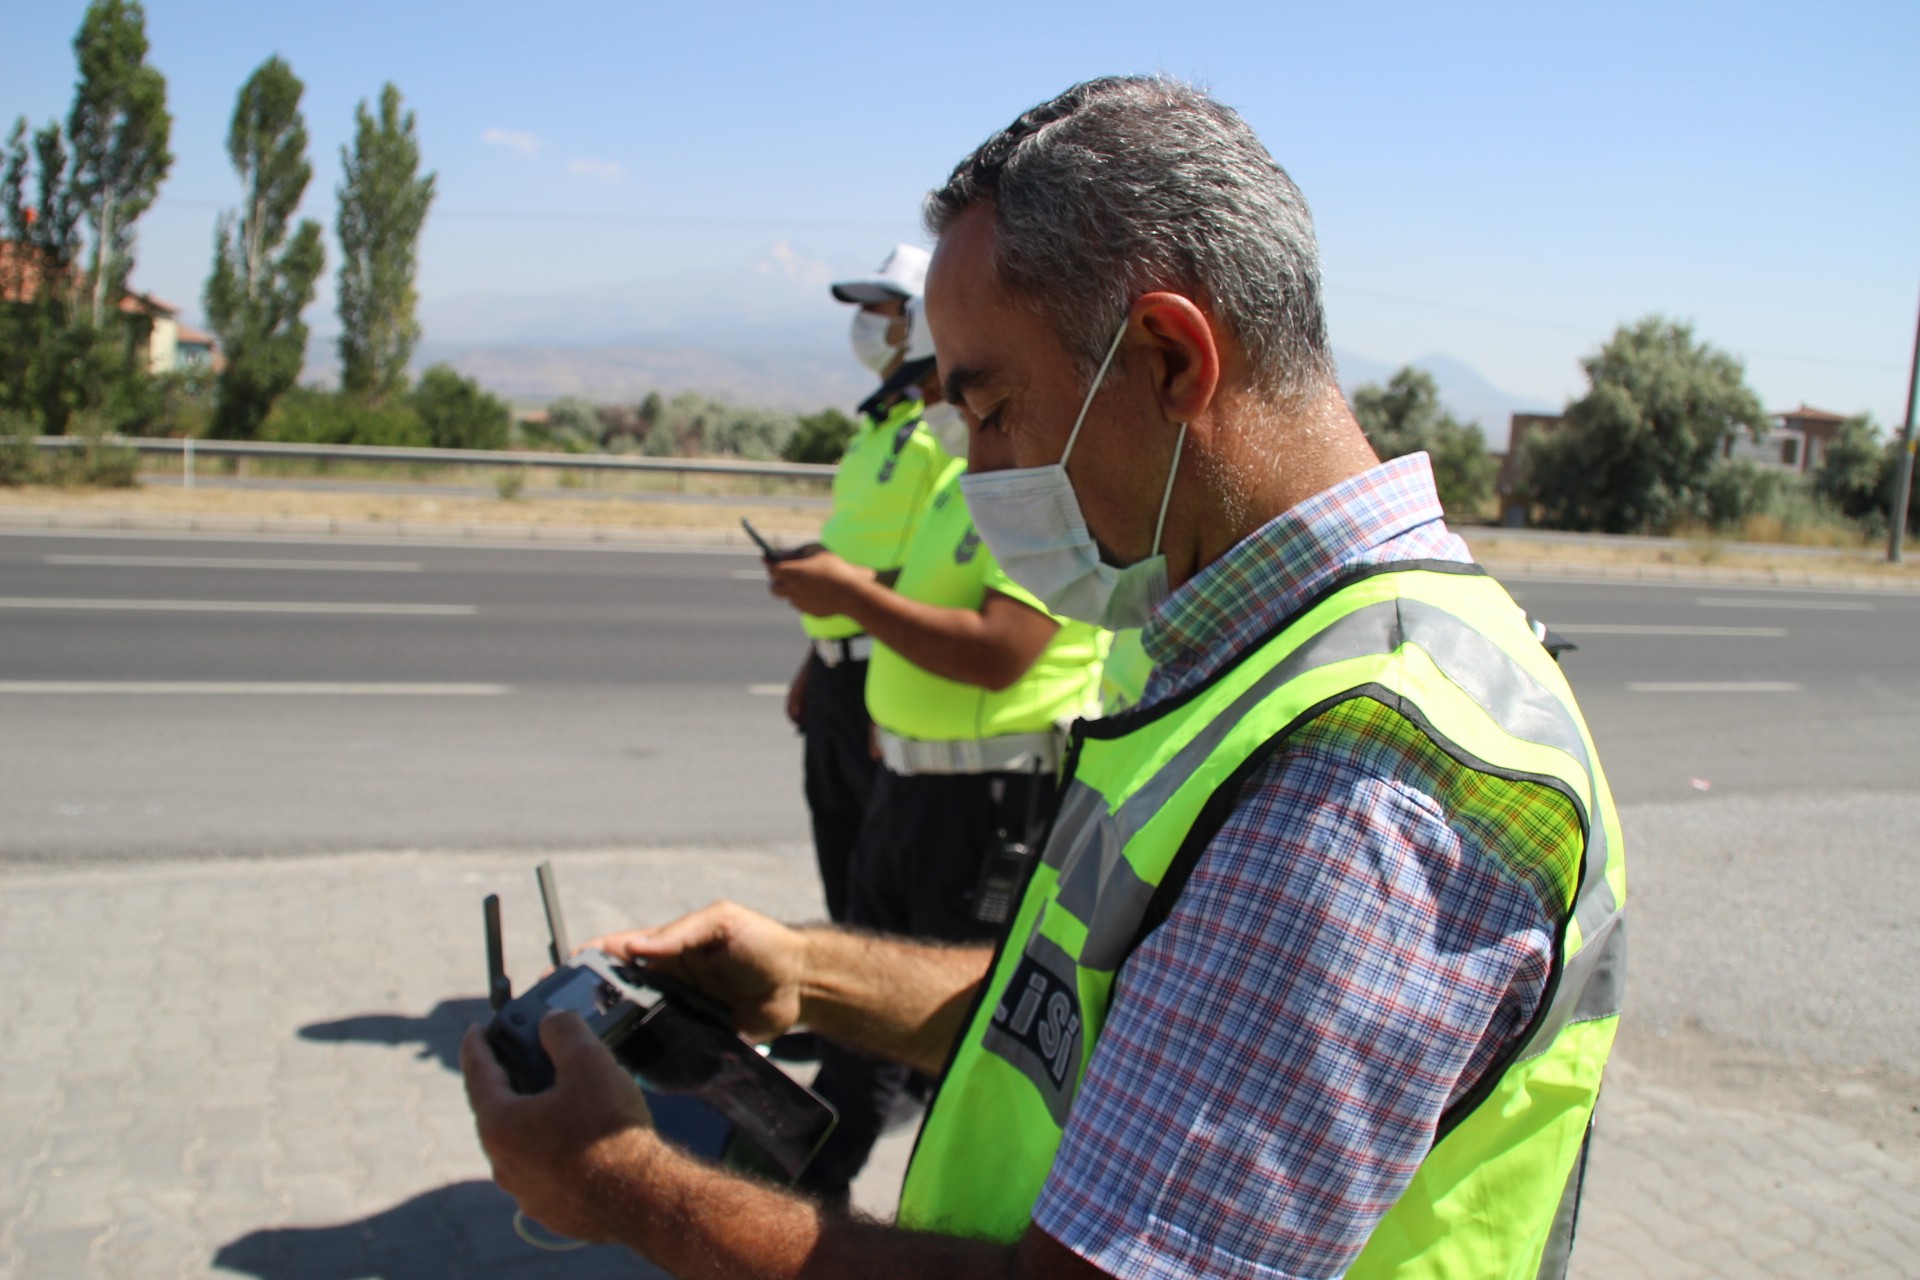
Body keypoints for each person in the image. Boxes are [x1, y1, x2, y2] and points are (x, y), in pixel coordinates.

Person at [463, 75, 1625, 1280]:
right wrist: (809, 975)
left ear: (1172, 356)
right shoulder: (1261, 647)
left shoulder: (1365, 780)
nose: (980, 472)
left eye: (997, 408)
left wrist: (625, 1184)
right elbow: (1119, 1015)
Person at [765, 304, 1105, 1201]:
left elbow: (999, 650)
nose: (929, 404)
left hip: (987, 803)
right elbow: (910, 592)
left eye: (945, 386)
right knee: (868, 991)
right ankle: (811, 1184)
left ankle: (827, 1194)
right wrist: (834, 598)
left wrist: (848, 595)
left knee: (952, 1024)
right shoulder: (962, 485)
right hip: (909, 787)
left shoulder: (1049, 503)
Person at [788, 245, 952, 924]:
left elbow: (929, 567)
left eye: (880, 311)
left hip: (889, 667)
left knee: (879, 879)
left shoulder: (942, 429)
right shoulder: (876, 425)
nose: (865, 325)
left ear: (918, 319)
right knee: (838, 851)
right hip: (836, 672)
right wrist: (815, 657)